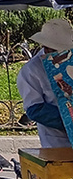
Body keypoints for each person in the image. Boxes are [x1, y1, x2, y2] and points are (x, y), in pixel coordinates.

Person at [17, 17, 73, 148]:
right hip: (57, 142)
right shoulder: (31, 71)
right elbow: (35, 108)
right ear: (46, 48)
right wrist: (67, 120)